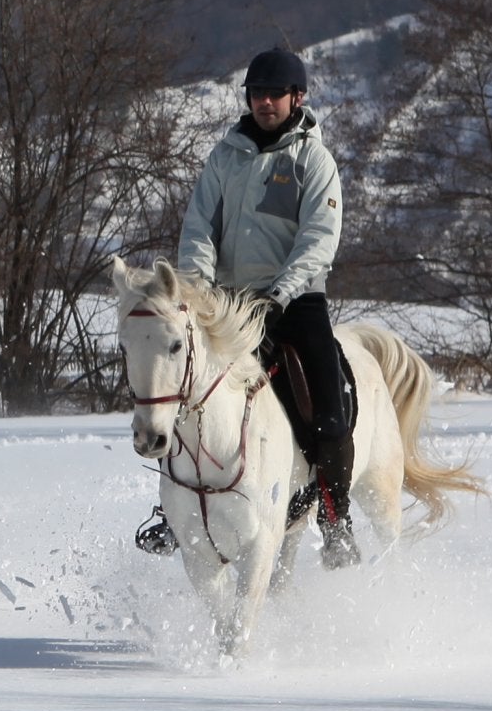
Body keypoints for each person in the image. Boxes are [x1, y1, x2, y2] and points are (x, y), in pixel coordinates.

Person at [147, 45, 357, 563]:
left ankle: (335, 517)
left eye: (274, 94)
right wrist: (196, 289)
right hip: (227, 303)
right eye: (256, 93)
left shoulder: (314, 160)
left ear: (297, 97)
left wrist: (281, 294)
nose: (264, 102)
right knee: (183, 394)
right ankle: (171, 511)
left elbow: (318, 238)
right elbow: (199, 227)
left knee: (327, 412)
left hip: (295, 302)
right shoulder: (225, 157)